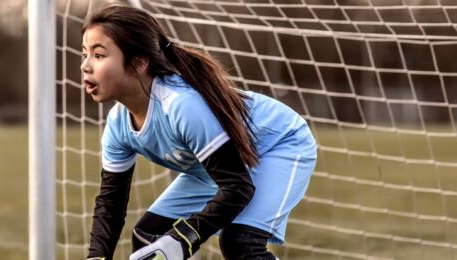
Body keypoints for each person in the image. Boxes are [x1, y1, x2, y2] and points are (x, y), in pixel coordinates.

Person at [81, 5, 317, 260]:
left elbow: (238, 187)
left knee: (240, 243)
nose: (85, 66)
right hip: (220, 169)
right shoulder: (117, 124)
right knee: (149, 237)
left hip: (280, 145)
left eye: (99, 55)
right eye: (84, 54)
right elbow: (110, 204)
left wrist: (187, 236)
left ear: (138, 63)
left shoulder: (181, 106)